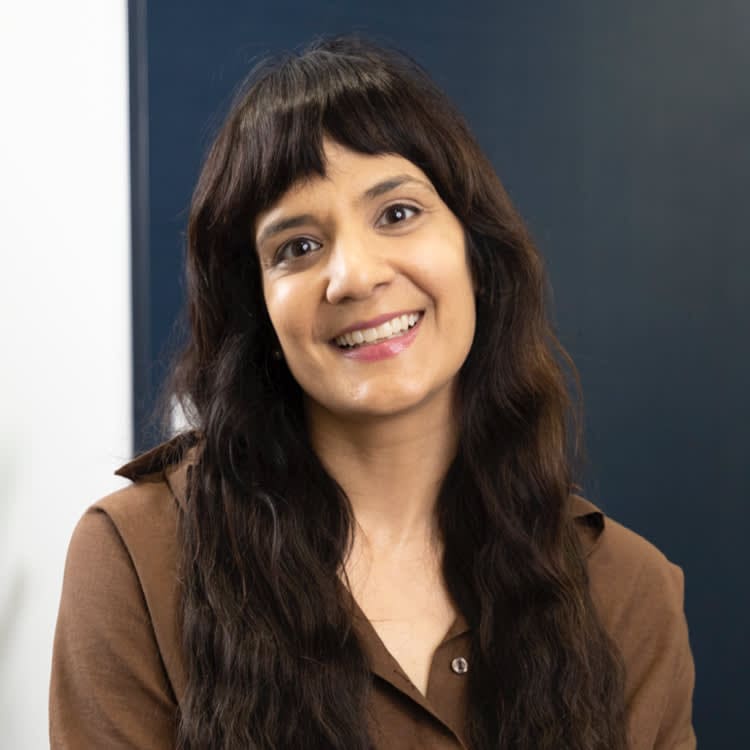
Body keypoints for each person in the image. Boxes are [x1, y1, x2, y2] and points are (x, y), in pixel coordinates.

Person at [49, 35, 696, 750]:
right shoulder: (137, 559)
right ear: (258, 307)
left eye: (397, 213)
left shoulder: (630, 592)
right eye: (296, 246)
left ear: (474, 251)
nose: (355, 275)